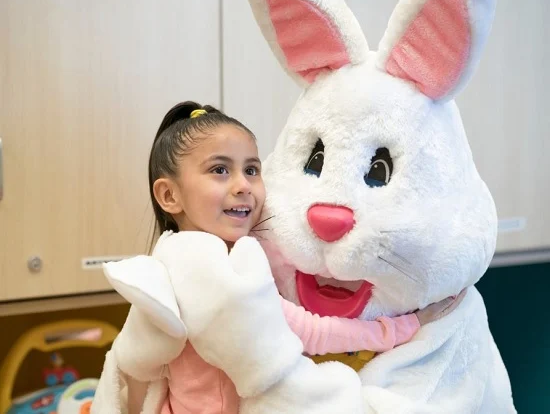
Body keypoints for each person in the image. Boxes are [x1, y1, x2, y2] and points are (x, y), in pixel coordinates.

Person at [122, 101, 458, 413]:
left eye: (251, 170)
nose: (243, 185)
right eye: (220, 170)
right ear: (169, 195)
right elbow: (309, 332)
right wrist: (405, 327)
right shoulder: (209, 274)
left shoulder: (201, 258)